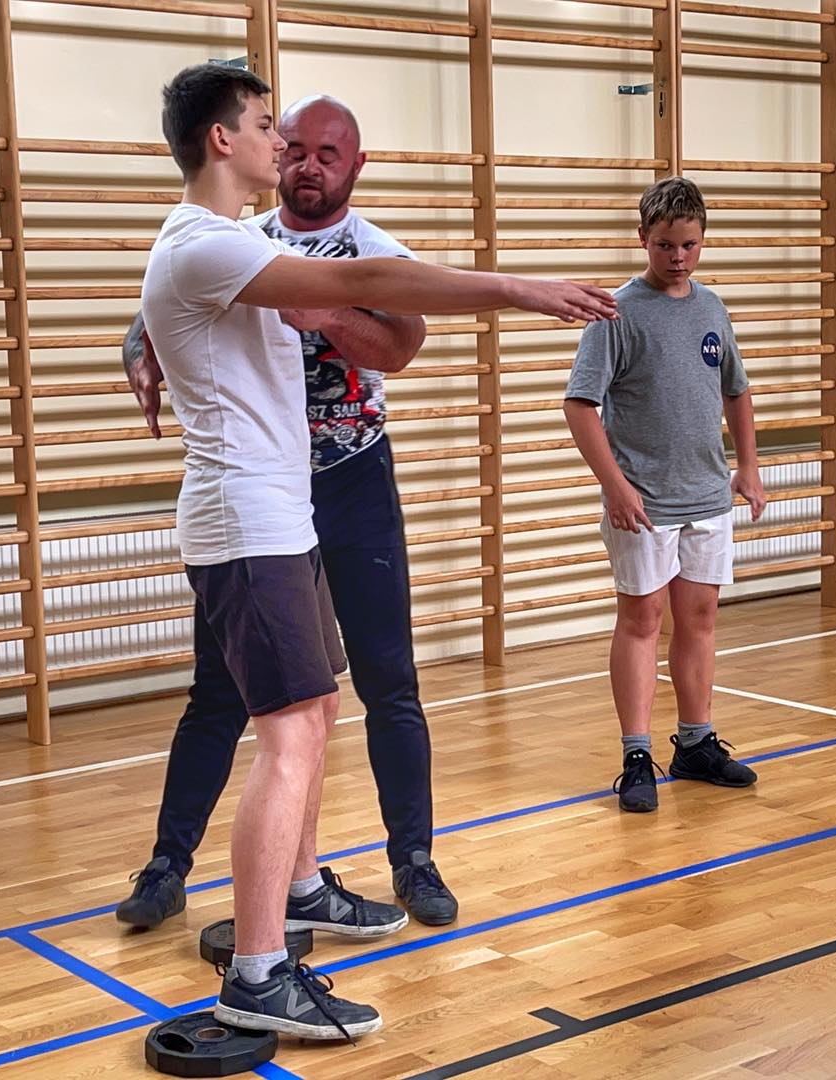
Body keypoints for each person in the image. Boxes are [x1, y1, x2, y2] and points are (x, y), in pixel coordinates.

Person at [138, 62, 616, 1041]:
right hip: (246, 523)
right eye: (265, 126)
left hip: (285, 518)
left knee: (316, 710)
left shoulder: (230, 244)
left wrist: (138, 341)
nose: (281, 145)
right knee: (290, 735)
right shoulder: (204, 245)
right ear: (223, 140)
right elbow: (360, 282)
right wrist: (517, 287)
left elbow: (365, 314)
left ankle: (302, 889)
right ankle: (258, 973)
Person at [117, 94, 459, 937]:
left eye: (326, 153)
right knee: (224, 692)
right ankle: (168, 863)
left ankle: (412, 858)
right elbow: (168, 301)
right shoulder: (241, 234)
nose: (304, 163)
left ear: (356, 165)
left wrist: (331, 311)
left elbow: (400, 347)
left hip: (349, 479)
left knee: (380, 682)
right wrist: (137, 343)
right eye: (292, 144)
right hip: (263, 496)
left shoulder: (374, 252)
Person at [563, 176, 765, 816]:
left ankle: (696, 743)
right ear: (642, 240)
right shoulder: (616, 314)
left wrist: (748, 467)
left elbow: (736, 390)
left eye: (689, 245)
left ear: (703, 241)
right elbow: (580, 405)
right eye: (664, 245)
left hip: (707, 495)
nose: (678, 257)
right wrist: (615, 485)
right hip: (644, 503)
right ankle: (635, 754)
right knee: (642, 621)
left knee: (699, 619)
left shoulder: (712, 308)